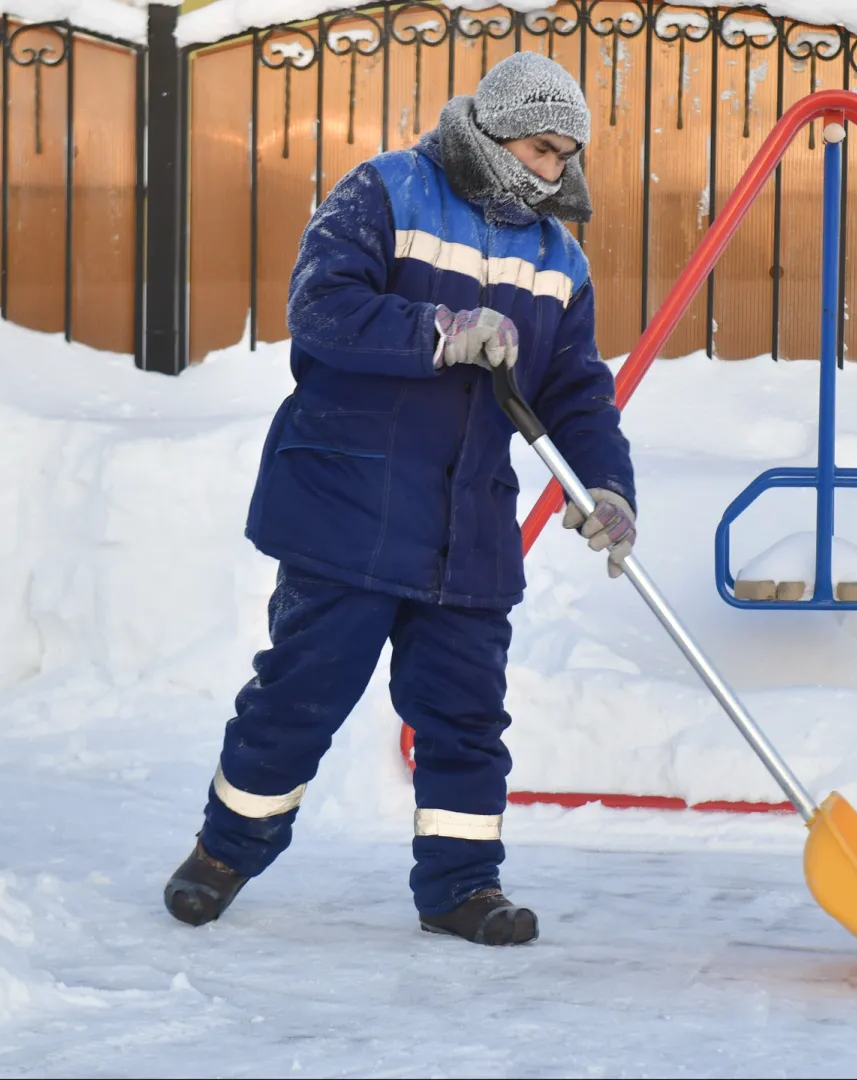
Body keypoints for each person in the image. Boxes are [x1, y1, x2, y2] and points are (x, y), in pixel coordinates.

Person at [162, 52, 637, 947]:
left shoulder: (557, 257)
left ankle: (462, 887)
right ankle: (224, 854)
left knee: (465, 714)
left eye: (567, 154)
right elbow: (322, 308)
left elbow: (575, 389)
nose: (556, 171)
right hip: (352, 505)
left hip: (469, 527)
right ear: (495, 133)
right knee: (302, 693)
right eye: (542, 149)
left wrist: (606, 487)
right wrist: (439, 331)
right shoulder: (386, 191)